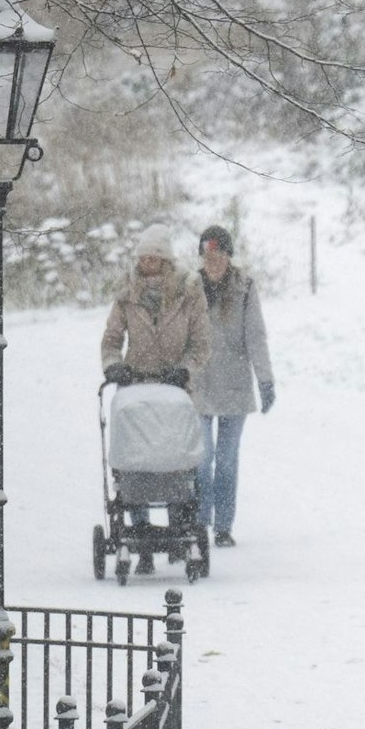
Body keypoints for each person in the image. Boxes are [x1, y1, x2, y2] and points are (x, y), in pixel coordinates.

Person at [100, 225, 209, 573]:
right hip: (136, 386)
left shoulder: (189, 293)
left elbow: (201, 343)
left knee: (174, 458)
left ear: (165, 261)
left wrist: (186, 369)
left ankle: (180, 525)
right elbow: (112, 339)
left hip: (175, 388)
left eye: (154, 258)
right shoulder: (126, 295)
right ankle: (139, 530)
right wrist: (114, 366)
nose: (147, 263)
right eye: (142, 258)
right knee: (136, 460)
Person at [192, 224, 275, 548]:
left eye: (219, 256)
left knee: (226, 459)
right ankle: (198, 521)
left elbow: (256, 336)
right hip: (199, 384)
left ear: (229, 257)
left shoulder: (245, 288)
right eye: (207, 256)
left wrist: (265, 379)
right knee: (201, 458)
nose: (213, 262)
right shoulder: (190, 289)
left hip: (235, 385)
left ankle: (223, 526)